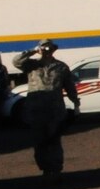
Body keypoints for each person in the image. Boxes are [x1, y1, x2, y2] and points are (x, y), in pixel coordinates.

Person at [12, 40, 80, 177]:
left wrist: (75, 102)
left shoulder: (61, 67)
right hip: (35, 110)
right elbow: (16, 61)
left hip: (55, 110)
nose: (47, 51)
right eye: (44, 48)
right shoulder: (31, 65)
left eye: (49, 48)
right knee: (39, 141)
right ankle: (45, 169)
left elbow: (69, 86)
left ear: (54, 49)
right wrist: (33, 51)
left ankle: (56, 170)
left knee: (54, 140)